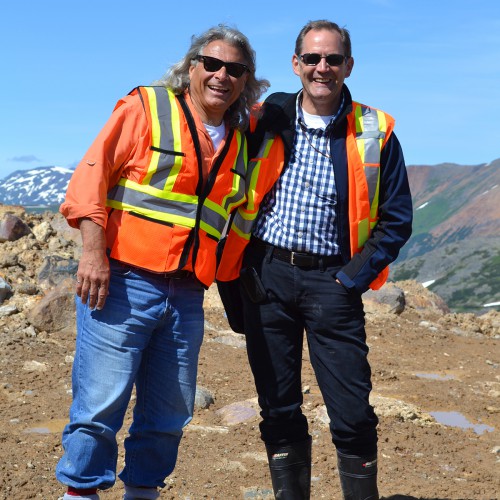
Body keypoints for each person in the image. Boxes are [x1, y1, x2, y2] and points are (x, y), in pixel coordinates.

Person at [55, 24, 269, 500]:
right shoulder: (146, 108)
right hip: (123, 282)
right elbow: (91, 177)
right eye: (211, 64)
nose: (221, 75)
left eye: (234, 69)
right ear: (191, 68)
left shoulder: (237, 143)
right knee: (98, 408)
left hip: (188, 294)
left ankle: (143, 491)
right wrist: (93, 254)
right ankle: (80, 493)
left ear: (245, 80)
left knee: (170, 412)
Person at [217, 20, 412, 499]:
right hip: (267, 278)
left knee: (351, 411)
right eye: (312, 59)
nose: (321, 68)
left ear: (348, 65)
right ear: (295, 64)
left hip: (334, 281)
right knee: (278, 407)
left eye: (332, 59)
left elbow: (396, 219)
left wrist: (351, 280)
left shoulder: (374, 131)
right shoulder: (270, 117)